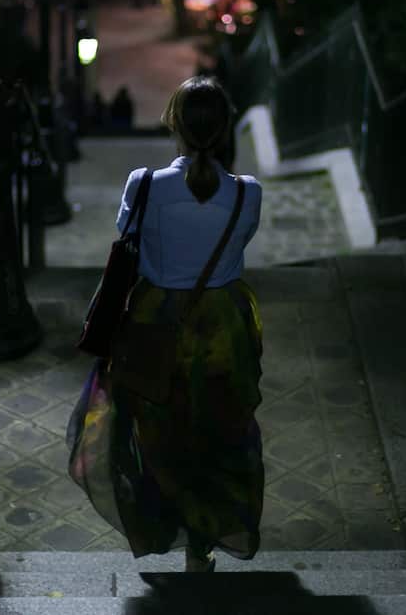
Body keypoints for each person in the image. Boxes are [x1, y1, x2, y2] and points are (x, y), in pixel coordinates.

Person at [66, 75, 265, 573]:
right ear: (224, 131)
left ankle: (160, 524)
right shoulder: (247, 195)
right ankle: (203, 543)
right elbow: (236, 248)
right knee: (219, 433)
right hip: (222, 329)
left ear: (173, 123)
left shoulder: (145, 185)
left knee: (156, 431)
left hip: (156, 323)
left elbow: (127, 237)